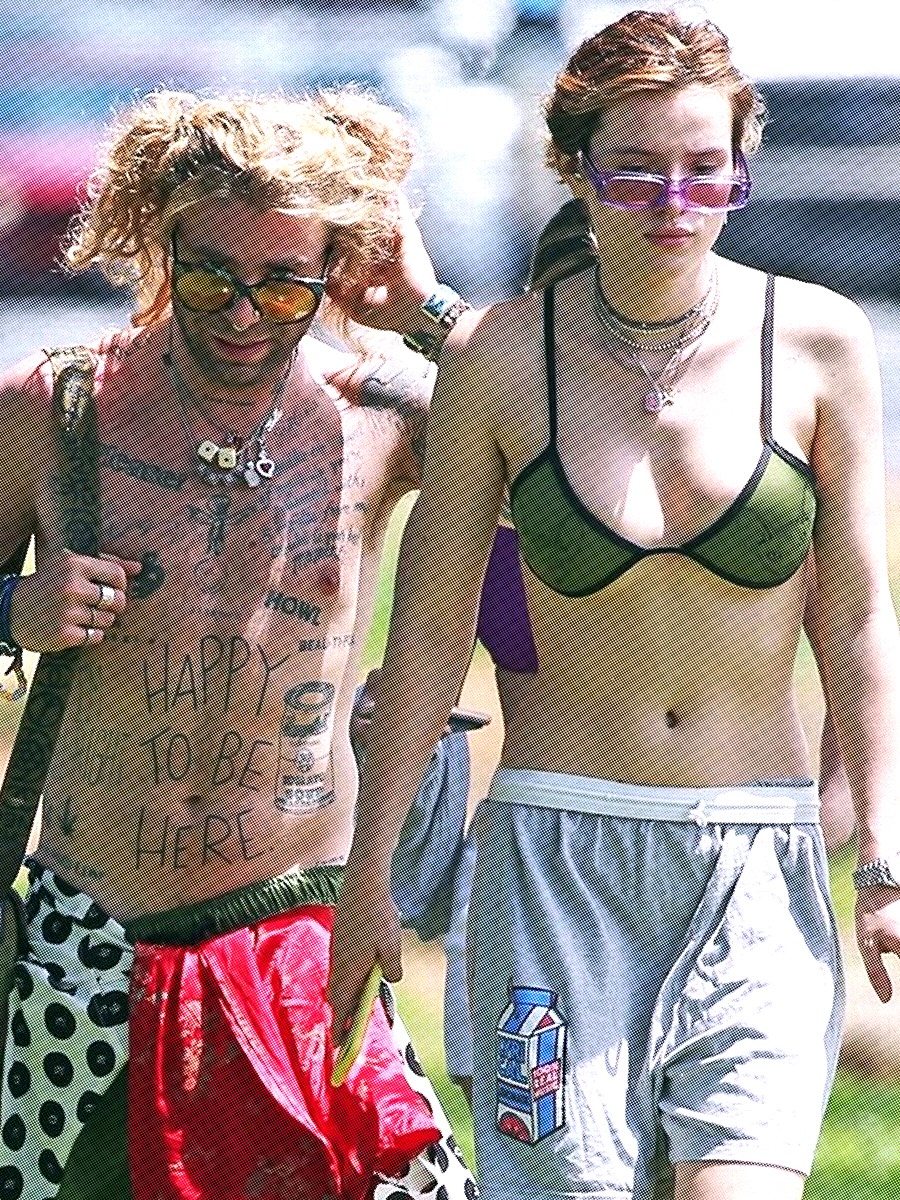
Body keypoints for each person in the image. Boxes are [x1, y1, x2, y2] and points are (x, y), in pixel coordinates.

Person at [329, 10, 900, 1200]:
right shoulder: (497, 357)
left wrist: (886, 854)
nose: (674, 203)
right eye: (636, 169)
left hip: (754, 856)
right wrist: (368, 874)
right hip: (553, 865)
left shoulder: (821, 342)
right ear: (574, 166)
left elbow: (857, 616)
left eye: (706, 169)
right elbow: (428, 630)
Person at [0, 87, 480, 1200]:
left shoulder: (387, 412)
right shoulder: (52, 407)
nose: (245, 315)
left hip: (300, 934)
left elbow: (574, 458)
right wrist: (15, 608)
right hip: (89, 946)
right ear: (160, 242)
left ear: (335, 269)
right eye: (212, 278)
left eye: (285, 285)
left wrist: (426, 310)